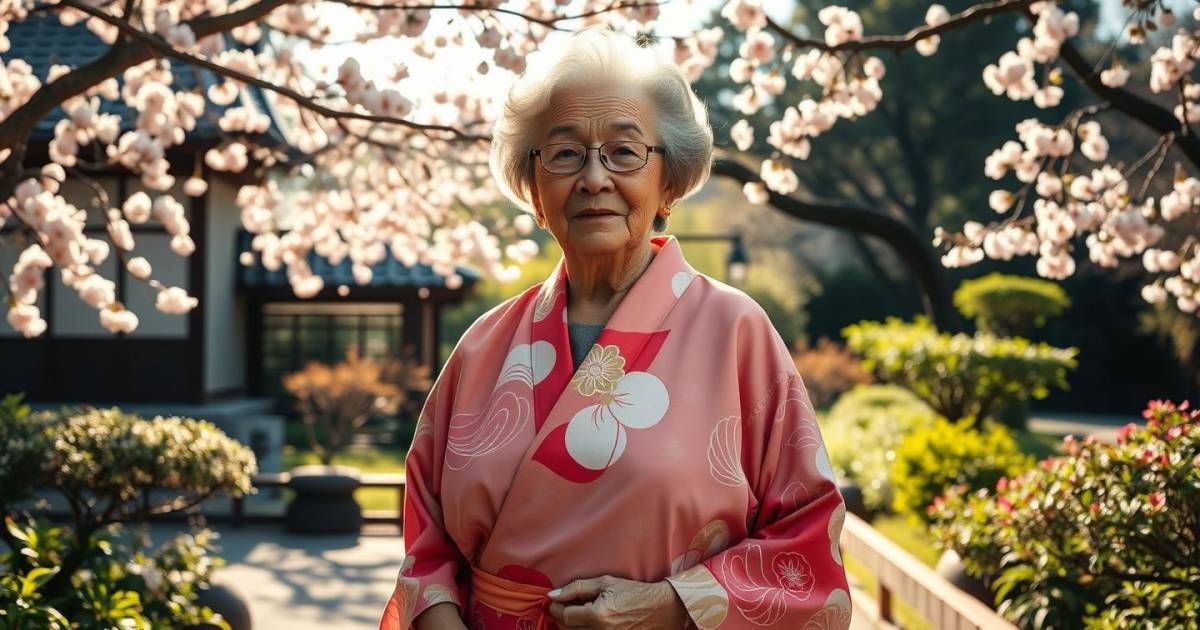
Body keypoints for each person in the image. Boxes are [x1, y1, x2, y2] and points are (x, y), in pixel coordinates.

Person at [380, 27, 851, 630]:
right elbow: (427, 549)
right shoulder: (484, 345)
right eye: (565, 152)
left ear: (669, 183)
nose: (595, 179)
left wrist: (674, 605)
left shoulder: (735, 331)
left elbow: (810, 538)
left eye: (625, 153)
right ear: (533, 188)